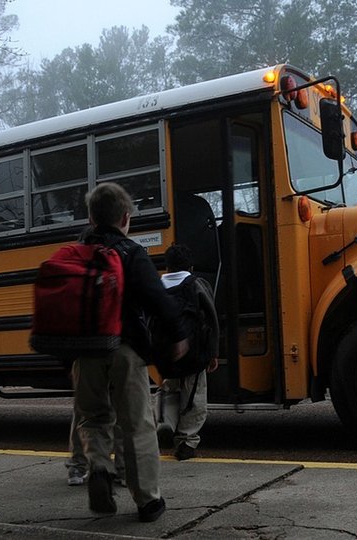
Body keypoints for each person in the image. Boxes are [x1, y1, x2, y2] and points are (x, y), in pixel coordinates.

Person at [72, 182, 188, 522]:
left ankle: (97, 466)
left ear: (92, 218)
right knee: (137, 424)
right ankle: (148, 500)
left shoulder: (76, 254)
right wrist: (178, 335)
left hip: (84, 352)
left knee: (92, 418)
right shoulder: (130, 252)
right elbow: (158, 298)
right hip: (124, 348)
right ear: (125, 218)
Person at [155, 244, 219, 461]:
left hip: (166, 356)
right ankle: (187, 442)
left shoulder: (156, 287)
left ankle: (165, 423)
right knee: (194, 396)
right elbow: (211, 319)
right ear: (190, 266)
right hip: (194, 354)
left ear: (167, 265)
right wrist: (212, 353)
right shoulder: (197, 285)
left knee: (169, 391)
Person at [66, 360, 125, 487]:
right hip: (122, 348)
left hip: (88, 351)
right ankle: (124, 469)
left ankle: (81, 465)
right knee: (124, 410)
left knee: (86, 413)